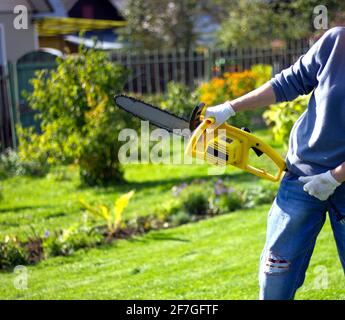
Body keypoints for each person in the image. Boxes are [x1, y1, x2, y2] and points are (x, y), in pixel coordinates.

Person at [204, 26, 345, 300]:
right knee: (275, 276)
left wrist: (335, 177)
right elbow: (287, 82)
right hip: (302, 176)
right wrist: (229, 108)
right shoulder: (336, 42)